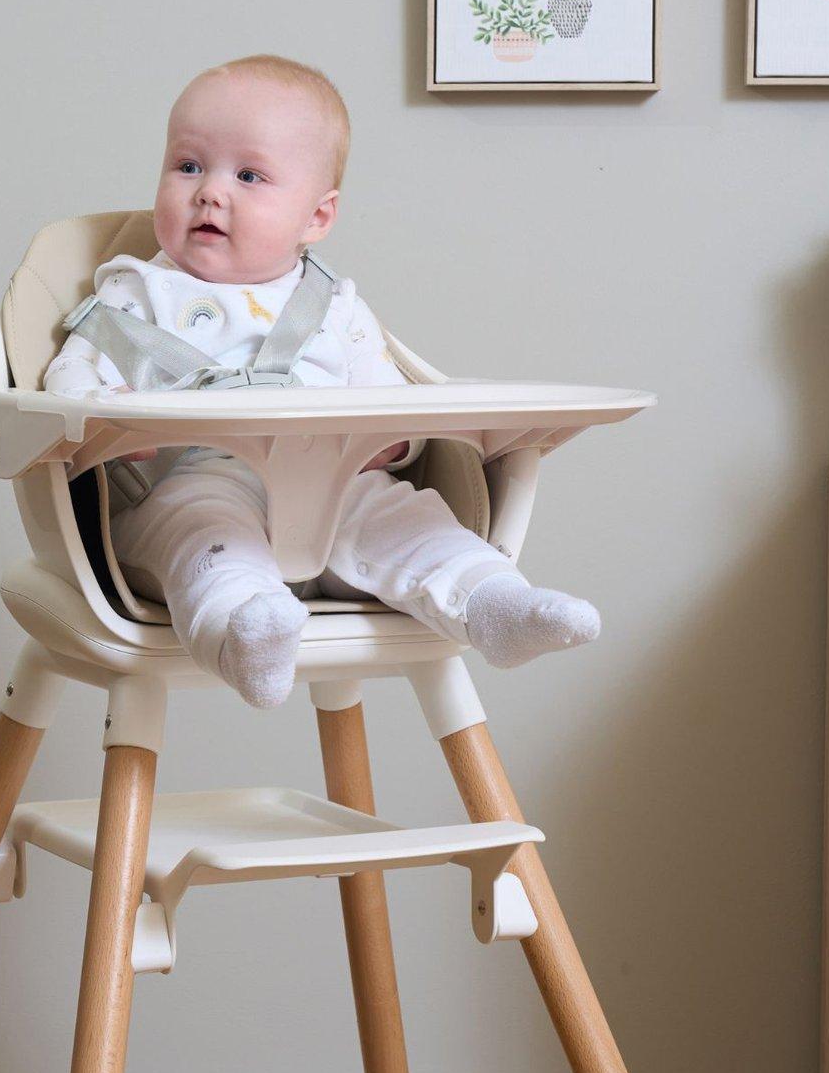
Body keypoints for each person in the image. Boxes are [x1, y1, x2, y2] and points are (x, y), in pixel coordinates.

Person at [45, 54, 599, 707]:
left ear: (316, 218)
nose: (210, 191)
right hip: (198, 481)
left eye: (249, 175)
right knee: (200, 533)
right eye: (188, 165)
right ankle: (246, 632)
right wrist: (104, 420)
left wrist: (392, 445)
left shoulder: (334, 307)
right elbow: (67, 378)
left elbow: (390, 401)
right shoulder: (135, 296)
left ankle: (495, 602)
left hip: (337, 486)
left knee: (409, 517)